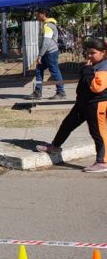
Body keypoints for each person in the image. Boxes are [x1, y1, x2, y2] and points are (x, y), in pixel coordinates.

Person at [36, 38, 107, 172]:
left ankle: (103, 161)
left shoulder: (104, 67)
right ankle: (55, 147)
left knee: (98, 132)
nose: (89, 56)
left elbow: (96, 87)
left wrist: (87, 70)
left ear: (103, 53)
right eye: (88, 53)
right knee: (67, 124)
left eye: (93, 53)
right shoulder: (93, 65)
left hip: (96, 105)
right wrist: (87, 69)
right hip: (83, 103)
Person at [30, 9, 65, 100]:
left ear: (44, 14)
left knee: (54, 71)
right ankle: (38, 92)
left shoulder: (48, 26)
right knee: (39, 70)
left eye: (38, 15)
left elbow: (46, 42)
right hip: (48, 52)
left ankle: (61, 92)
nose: (37, 17)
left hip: (50, 52)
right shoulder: (47, 24)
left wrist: (40, 55)